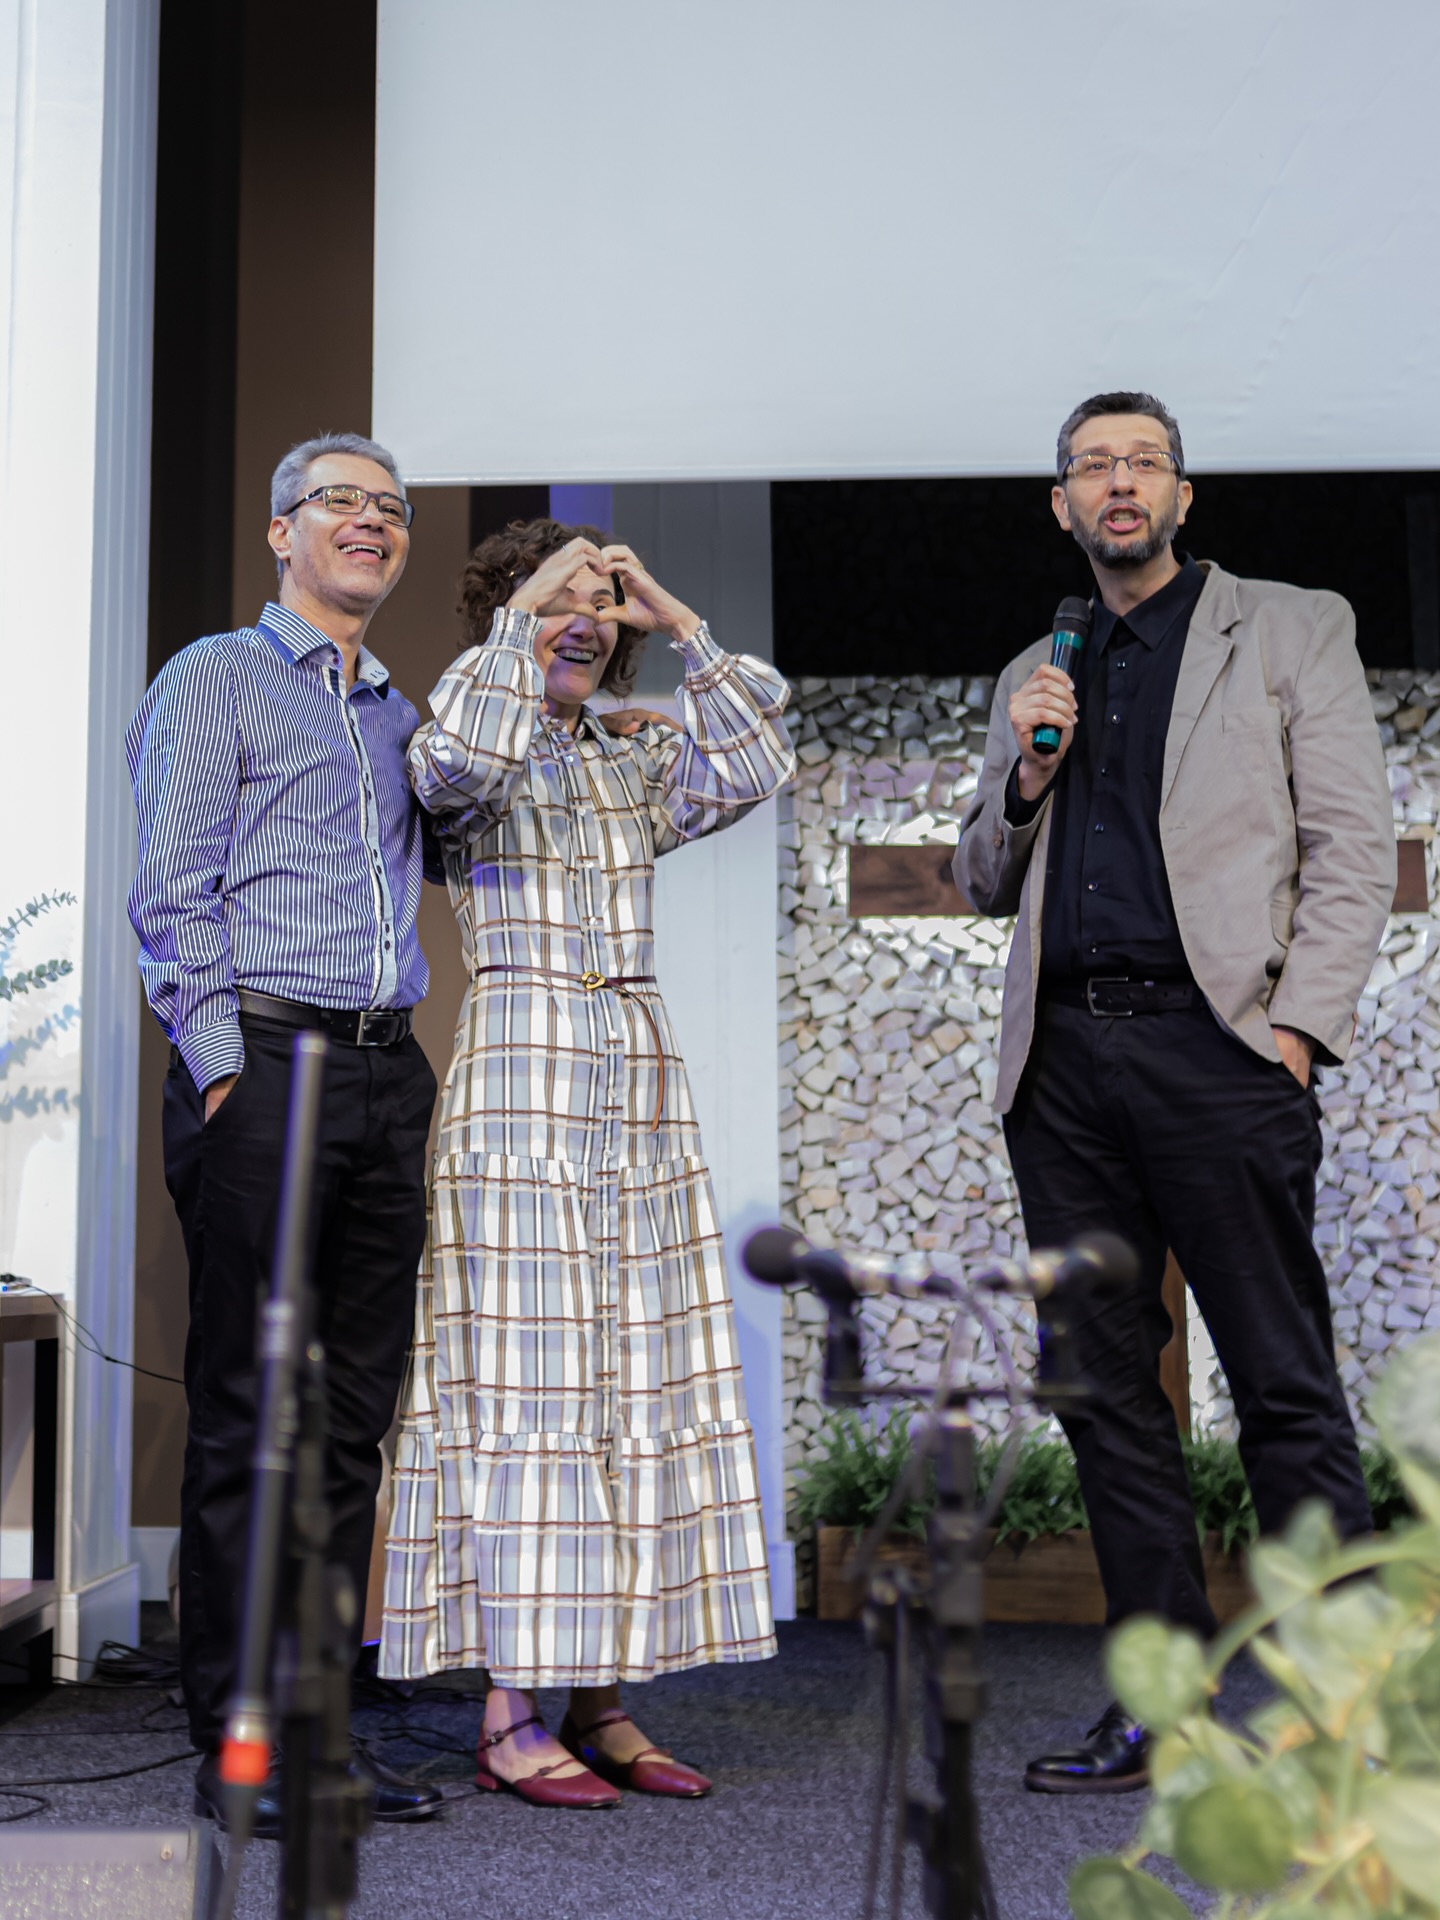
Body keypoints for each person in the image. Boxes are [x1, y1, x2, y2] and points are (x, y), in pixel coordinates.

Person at [955, 391, 1395, 1795]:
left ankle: (1343, 1708)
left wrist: (1298, 1033)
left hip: (1221, 1057)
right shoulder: (1042, 659)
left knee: (1281, 1380)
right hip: (1065, 1071)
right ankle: (1167, 1704)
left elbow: (1350, 841)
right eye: (1093, 467)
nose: (1120, 484)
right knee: (1103, 1394)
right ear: (1062, 506)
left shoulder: (1285, 625)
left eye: (1144, 463)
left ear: (1184, 496)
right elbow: (979, 872)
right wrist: (1029, 763)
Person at [380, 517, 792, 1805]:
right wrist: (527, 624)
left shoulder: (625, 759)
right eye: (558, 598)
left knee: (635, 1372)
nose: (584, 618)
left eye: (597, 603)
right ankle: (509, 1710)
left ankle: (605, 1695)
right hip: (522, 1067)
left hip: (638, 1074)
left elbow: (758, 756)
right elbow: (450, 774)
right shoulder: (469, 722)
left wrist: (670, 617)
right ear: (504, 613)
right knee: (529, 1379)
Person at [127, 432, 442, 1833]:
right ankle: (240, 1748)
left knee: (349, 1432)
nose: (369, 524)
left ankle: (323, 1732)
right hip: (263, 1061)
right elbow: (172, 892)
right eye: (341, 505)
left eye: (389, 509)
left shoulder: (398, 713)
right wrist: (218, 1077)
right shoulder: (217, 678)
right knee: (256, 1419)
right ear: (280, 533)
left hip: (385, 1072)